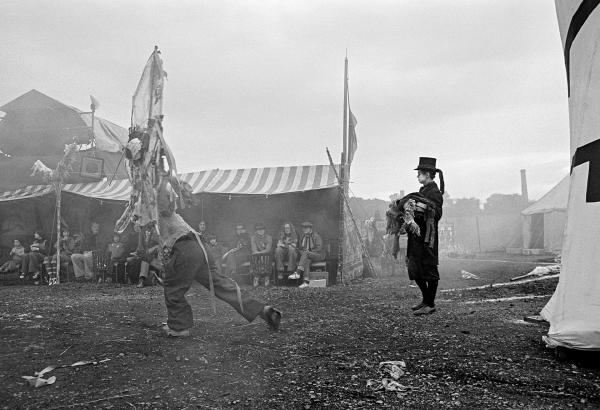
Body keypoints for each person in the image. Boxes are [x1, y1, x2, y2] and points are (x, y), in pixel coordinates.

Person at [155, 176, 281, 337]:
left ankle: (179, 327)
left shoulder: (159, 208)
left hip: (186, 248)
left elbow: (162, 198)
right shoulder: (168, 214)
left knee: (173, 289)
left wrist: (159, 177)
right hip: (200, 247)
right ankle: (262, 310)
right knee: (221, 285)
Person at [402, 157, 444, 316]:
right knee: (415, 268)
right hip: (417, 237)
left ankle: (430, 304)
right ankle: (426, 300)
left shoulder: (434, 192)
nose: (417, 176)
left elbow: (436, 214)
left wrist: (419, 210)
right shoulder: (422, 191)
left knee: (429, 268)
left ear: (427, 174)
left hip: (427, 237)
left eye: (419, 174)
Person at [288, 221, 325, 289]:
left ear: (311, 229)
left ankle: (298, 272)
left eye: (306, 228)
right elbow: (301, 248)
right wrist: (297, 249)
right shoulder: (303, 237)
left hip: (318, 255)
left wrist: (308, 252)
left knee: (306, 253)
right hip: (308, 256)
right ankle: (306, 282)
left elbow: (319, 248)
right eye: (303, 228)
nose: (304, 229)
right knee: (306, 260)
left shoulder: (316, 236)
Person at [250, 223, 273, 287]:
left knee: (264, 257)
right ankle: (256, 277)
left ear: (265, 230)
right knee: (255, 257)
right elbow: (253, 249)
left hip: (267, 256)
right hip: (257, 256)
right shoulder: (253, 238)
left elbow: (267, 250)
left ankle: (266, 277)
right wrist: (259, 254)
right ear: (255, 231)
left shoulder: (269, 237)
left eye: (262, 229)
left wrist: (259, 253)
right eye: (258, 229)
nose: (260, 231)